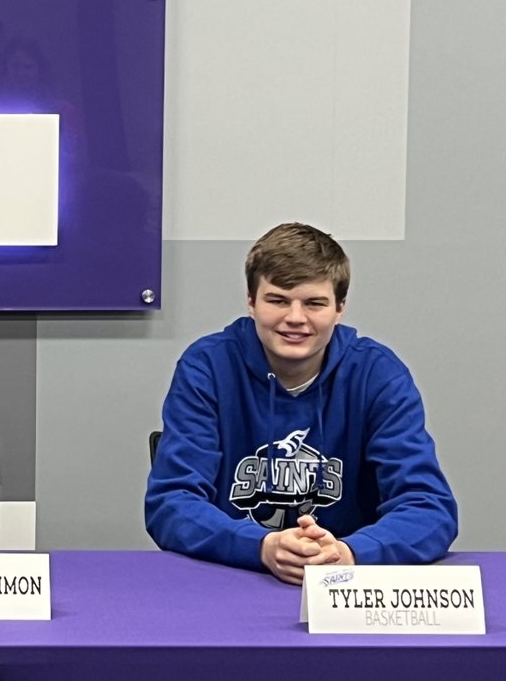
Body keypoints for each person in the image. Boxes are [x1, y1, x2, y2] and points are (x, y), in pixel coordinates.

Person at [145, 222, 456, 584]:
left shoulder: (378, 374)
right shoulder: (208, 368)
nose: (295, 318)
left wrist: (351, 552)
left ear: (340, 308)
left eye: (314, 303)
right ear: (251, 302)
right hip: (233, 576)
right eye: (277, 300)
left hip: (346, 587)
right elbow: (171, 503)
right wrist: (262, 546)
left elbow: (429, 507)